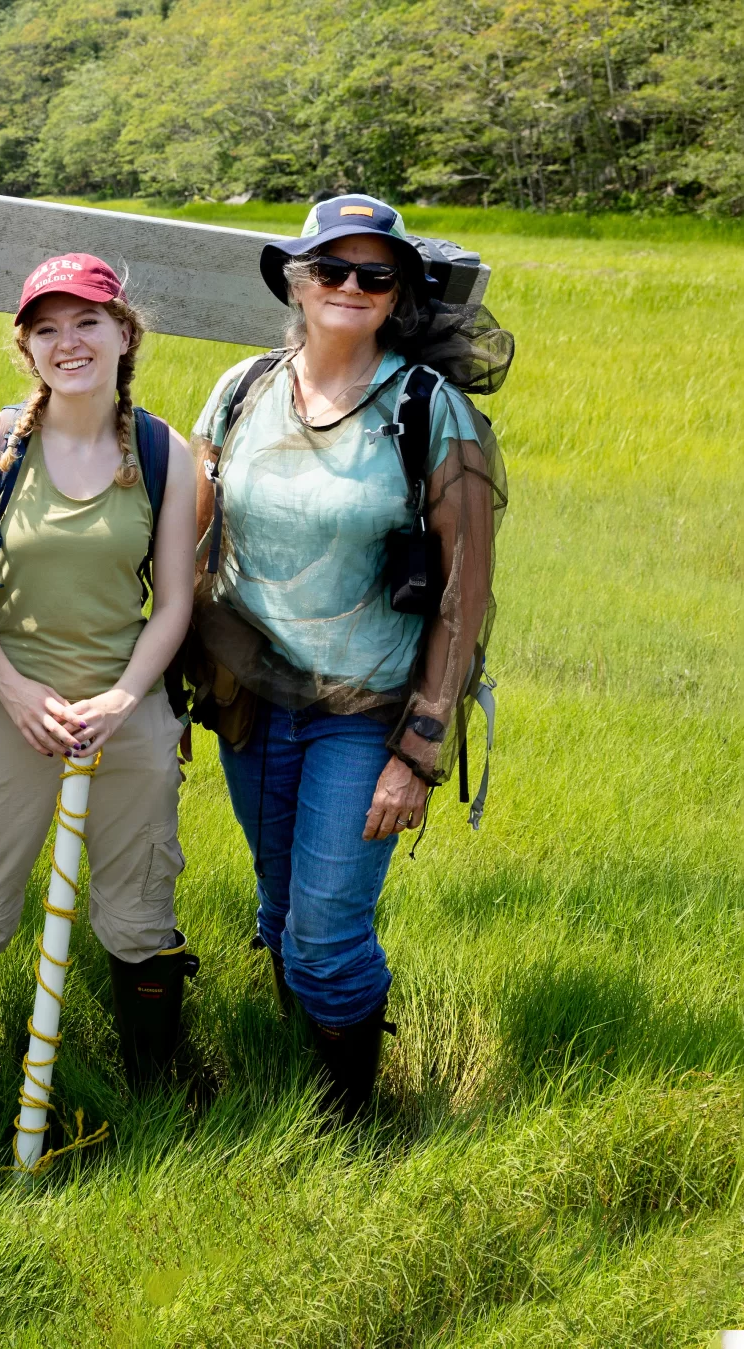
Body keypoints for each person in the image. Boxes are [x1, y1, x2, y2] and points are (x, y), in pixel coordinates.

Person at [190, 195, 506, 1119]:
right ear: (295, 279)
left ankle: (348, 1125)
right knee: (280, 911)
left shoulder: (427, 410)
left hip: (366, 710)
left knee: (324, 935)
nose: (350, 287)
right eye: (330, 268)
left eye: (374, 274)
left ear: (399, 291)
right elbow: (192, 539)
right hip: (247, 694)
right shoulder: (241, 387)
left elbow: (464, 591)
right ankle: (298, 1068)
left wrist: (420, 747)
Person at [0, 254, 199, 1087]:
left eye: (86, 322)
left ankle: (150, 1097)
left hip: (125, 701)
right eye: (46, 328)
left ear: (124, 334)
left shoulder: (163, 452)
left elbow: (173, 601)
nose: (68, 342)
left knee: (139, 918)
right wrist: (12, 688)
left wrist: (122, 696)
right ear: (25, 348)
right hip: (9, 697)